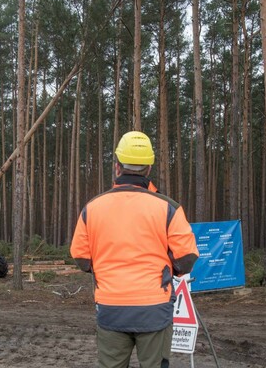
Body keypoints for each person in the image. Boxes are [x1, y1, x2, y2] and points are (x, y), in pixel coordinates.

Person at [70, 131, 199, 368]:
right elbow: (187, 256)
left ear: (117, 166)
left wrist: (105, 271)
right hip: (154, 309)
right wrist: (170, 271)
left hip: (111, 305)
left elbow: (80, 256)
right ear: (149, 168)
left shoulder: (93, 208)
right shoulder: (168, 207)